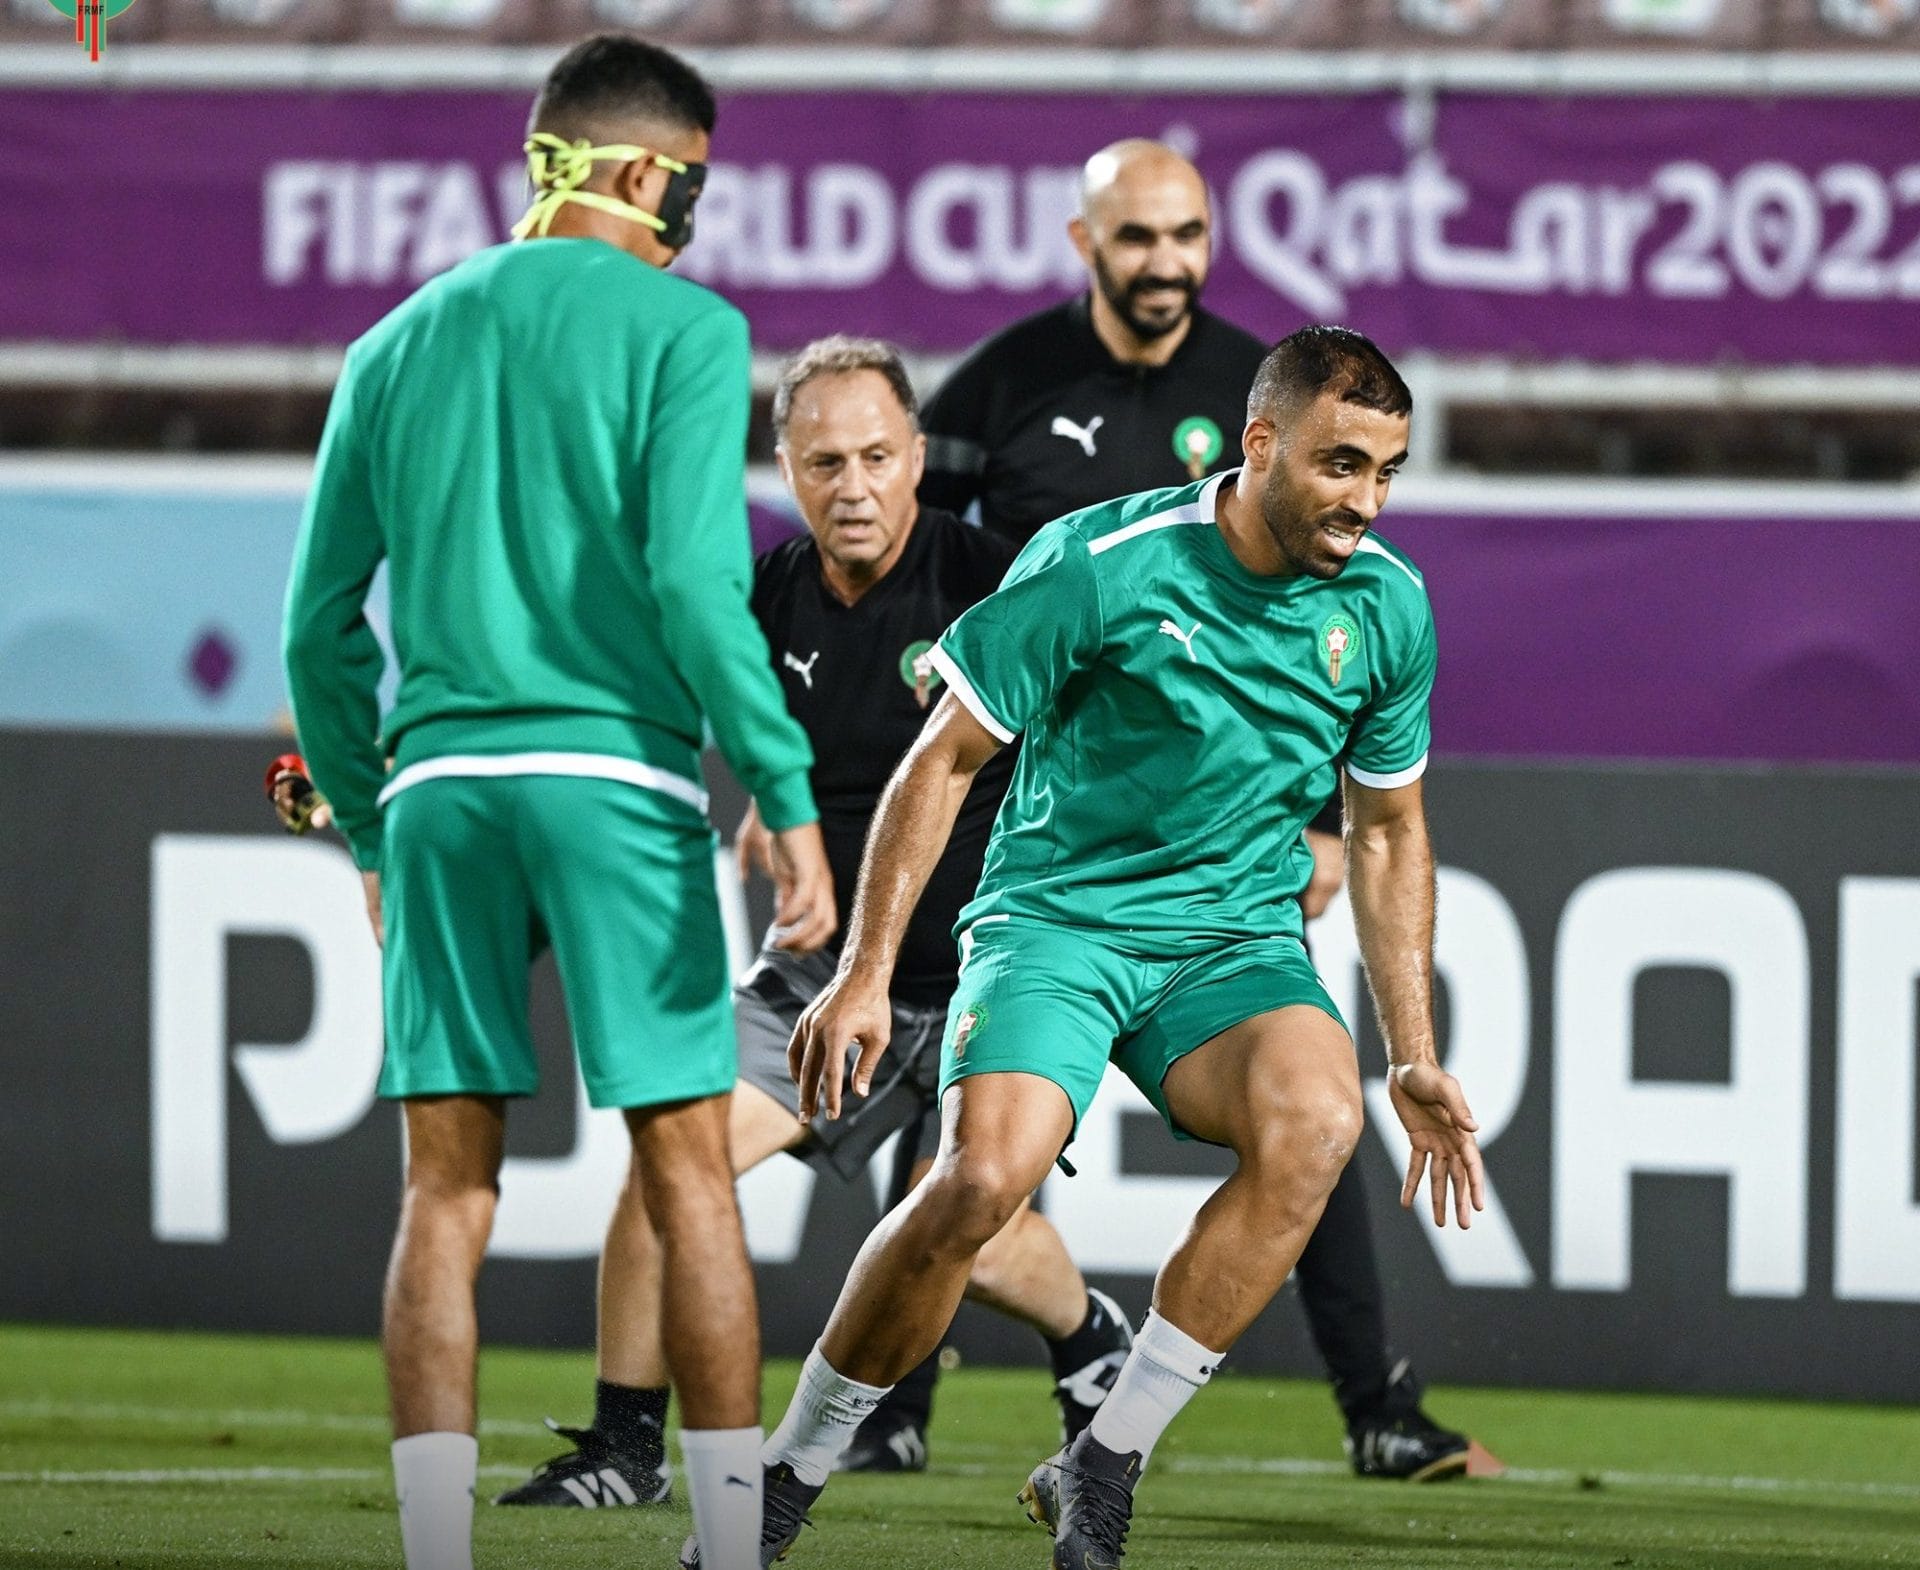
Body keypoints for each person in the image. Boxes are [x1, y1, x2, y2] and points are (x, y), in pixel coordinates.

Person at [683, 325, 1485, 1569]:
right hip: (1058, 915)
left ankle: (1100, 1463)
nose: (1365, 502)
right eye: (1340, 465)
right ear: (1262, 442)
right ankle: (781, 1484)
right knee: (978, 1182)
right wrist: (865, 971)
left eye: (1386, 471)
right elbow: (940, 759)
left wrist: (1414, 1051)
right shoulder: (1102, 562)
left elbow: (1387, 832)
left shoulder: (1389, 606)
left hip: (1231, 943)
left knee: (1317, 1124)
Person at [280, 34, 835, 1570]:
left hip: (445, 785)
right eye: (695, 183)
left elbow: (318, 630)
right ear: (649, 173)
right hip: (616, 779)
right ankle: (727, 1549)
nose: (695, 211)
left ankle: (434, 1552)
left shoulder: (393, 343)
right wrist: (782, 786)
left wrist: (373, 822)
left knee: (444, 1192)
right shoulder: (689, 328)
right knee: (681, 1170)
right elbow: (691, 582)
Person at [892, 136, 1475, 1484]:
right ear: (1085, 241)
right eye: (1139, 236)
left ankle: (1371, 1400)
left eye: (1189, 235)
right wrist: (909, 732)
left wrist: (1326, 825)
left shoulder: (1269, 392)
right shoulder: (1003, 382)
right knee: (962, 1128)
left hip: (1215, 850)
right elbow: (929, 572)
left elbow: (1335, 715)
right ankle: (897, 1397)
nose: (1168, 262)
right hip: (1020, 801)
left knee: (1308, 1110)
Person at [490, 336, 1134, 1504]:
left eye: (879, 457)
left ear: (918, 457)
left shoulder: (1000, 582)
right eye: (826, 461)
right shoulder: (760, 597)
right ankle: (625, 1448)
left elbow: (1121, 730)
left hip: (987, 979)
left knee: (970, 1232)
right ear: (785, 466)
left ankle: (1089, 1335)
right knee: (669, 1158)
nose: (856, 486)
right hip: (825, 977)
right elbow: (637, 715)